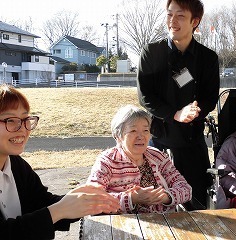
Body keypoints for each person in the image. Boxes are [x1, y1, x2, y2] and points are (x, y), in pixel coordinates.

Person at [0, 84, 120, 240]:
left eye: (25, 119)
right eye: (11, 120)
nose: (22, 128)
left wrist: (80, 199)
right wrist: (60, 209)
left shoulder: (16, 165)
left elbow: (42, 203)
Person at [136, 0, 220, 209]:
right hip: (158, 139)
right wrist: (175, 114)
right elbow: (145, 96)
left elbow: (210, 97)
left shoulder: (208, 58)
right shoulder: (151, 53)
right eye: (169, 14)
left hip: (192, 140)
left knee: (197, 201)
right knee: (153, 202)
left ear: (195, 21)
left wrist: (193, 111)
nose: (172, 21)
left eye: (180, 16)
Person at [87, 105, 192, 213]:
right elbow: (92, 199)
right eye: (133, 131)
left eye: (145, 130)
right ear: (118, 135)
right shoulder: (107, 161)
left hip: (164, 223)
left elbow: (186, 189)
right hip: (122, 225)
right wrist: (131, 199)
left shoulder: (157, 157)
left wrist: (165, 196)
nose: (141, 136)